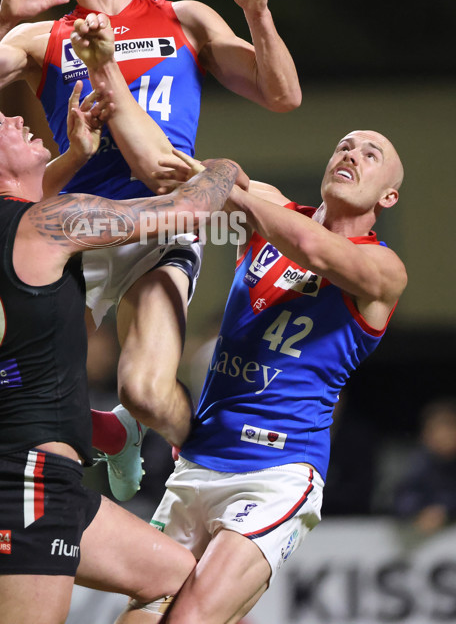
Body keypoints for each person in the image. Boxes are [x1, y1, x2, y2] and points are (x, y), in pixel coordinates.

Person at [0, 0, 302, 499]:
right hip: (77, 227)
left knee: (147, 392)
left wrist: (258, 14)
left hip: (159, 220)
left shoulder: (184, 16)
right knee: (29, 394)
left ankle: (221, 462)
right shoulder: (47, 38)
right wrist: (2, 18)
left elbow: (283, 95)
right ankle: (114, 440)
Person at [0, 78, 241, 624]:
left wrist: (75, 155)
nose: (18, 119)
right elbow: (189, 209)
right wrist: (223, 168)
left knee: (182, 581)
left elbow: (27, 198)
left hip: (39, 472)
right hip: (20, 478)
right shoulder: (49, 224)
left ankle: (116, 434)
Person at [116, 129, 407, 624]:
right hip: (199, 458)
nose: (351, 154)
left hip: (277, 469)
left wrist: (235, 191)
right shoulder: (269, 208)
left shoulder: (383, 268)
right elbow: (186, 174)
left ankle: (128, 422)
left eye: (370, 153)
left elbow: (312, 249)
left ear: (388, 196)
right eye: (343, 146)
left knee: (190, 619)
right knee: (142, 615)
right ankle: (134, 418)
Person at [393, 397, 456, 536]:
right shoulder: (420, 462)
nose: (442, 437)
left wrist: (444, 510)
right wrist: (420, 511)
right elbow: (403, 497)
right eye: (435, 430)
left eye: (447, 429)